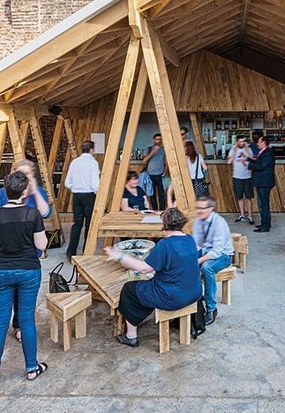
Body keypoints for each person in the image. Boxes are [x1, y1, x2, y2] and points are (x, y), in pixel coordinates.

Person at [0, 171, 48, 386]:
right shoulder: (32, 213)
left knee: (0, 322)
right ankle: (31, 368)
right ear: (25, 190)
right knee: (26, 320)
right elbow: (42, 245)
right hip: (28, 271)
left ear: (5, 190)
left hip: (2, 272)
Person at [106, 207, 201, 348]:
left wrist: (120, 256)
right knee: (147, 285)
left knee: (129, 289)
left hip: (173, 297)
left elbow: (144, 268)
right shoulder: (190, 239)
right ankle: (141, 316)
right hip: (194, 292)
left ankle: (131, 336)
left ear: (164, 225)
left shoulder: (165, 245)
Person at [192, 197, 233, 325]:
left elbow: (216, 251)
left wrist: (197, 261)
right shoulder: (198, 221)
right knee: (186, 262)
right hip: (206, 250)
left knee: (206, 267)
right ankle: (196, 298)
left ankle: (211, 308)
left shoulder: (219, 223)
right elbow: (197, 244)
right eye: (197, 208)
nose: (199, 211)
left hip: (223, 254)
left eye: (202, 208)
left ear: (210, 209)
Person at [64, 140, 99, 260]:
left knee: (77, 224)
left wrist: (76, 186)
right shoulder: (93, 163)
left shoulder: (75, 162)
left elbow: (67, 183)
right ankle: (86, 251)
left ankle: (71, 252)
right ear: (91, 150)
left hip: (76, 196)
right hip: (89, 196)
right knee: (89, 224)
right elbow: (95, 185)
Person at [245, 134, 275, 233]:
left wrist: (248, 164)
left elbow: (261, 166)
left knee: (263, 205)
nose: (257, 143)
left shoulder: (268, 153)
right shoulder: (263, 152)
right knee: (261, 204)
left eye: (259, 141)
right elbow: (257, 162)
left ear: (263, 142)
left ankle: (265, 227)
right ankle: (265, 223)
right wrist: (247, 159)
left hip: (264, 183)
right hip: (262, 182)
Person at [229, 135, 254, 224]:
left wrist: (247, 152)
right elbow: (228, 162)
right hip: (237, 177)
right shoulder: (233, 149)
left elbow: (253, 160)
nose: (242, 143)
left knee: (248, 198)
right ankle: (242, 215)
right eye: (240, 142)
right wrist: (235, 152)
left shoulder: (248, 149)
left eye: (243, 141)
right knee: (239, 197)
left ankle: (250, 216)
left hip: (248, 177)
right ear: (237, 142)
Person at [142, 133, 167, 210]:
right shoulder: (149, 149)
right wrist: (153, 152)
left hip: (160, 175)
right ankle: (154, 210)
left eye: (160, 139)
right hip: (150, 175)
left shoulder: (164, 150)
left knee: (162, 194)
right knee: (152, 194)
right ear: (154, 140)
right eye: (157, 139)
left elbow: (166, 162)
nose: (158, 141)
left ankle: (162, 210)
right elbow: (144, 161)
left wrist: (165, 172)